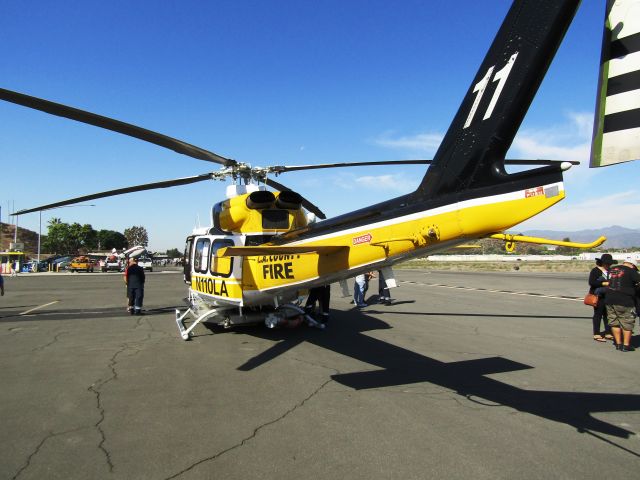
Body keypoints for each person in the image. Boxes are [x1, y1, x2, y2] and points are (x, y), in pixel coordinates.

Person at [605, 257, 640, 352]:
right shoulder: (631, 271)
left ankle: (618, 344)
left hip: (610, 299)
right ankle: (626, 345)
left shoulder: (612, 269)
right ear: (632, 265)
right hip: (624, 300)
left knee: (614, 321)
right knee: (627, 322)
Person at [588, 253, 615, 342]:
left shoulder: (611, 271)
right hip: (598, 296)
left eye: (609, 263)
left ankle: (608, 333)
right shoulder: (595, 270)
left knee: (608, 315)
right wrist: (604, 283)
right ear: (602, 262)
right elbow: (591, 282)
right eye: (607, 263)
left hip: (609, 296)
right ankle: (596, 333)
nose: (608, 265)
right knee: (598, 314)